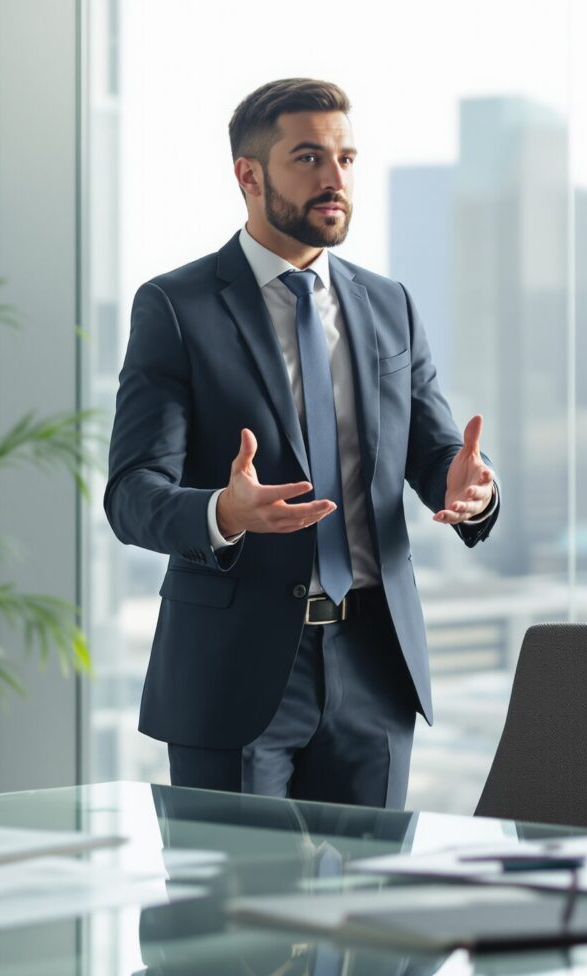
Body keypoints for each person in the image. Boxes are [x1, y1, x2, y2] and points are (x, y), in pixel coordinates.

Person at [104, 78, 500, 809]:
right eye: (309, 158)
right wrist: (225, 511)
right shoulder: (176, 308)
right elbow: (131, 496)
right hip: (236, 673)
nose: (334, 179)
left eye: (346, 159)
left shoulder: (390, 305)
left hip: (375, 668)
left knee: (367, 914)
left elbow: (436, 453)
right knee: (232, 914)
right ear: (248, 176)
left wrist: (470, 490)